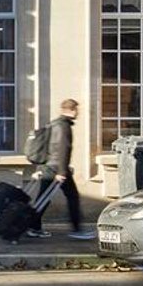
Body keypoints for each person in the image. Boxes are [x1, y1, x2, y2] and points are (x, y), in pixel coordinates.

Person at [24, 98, 91, 240]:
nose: (78, 113)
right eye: (77, 110)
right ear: (71, 110)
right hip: (56, 168)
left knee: (43, 198)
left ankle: (33, 227)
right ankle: (77, 229)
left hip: (49, 166)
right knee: (72, 197)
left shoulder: (54, 124)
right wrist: (61, 172)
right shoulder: (63, 126)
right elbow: (62, 149)